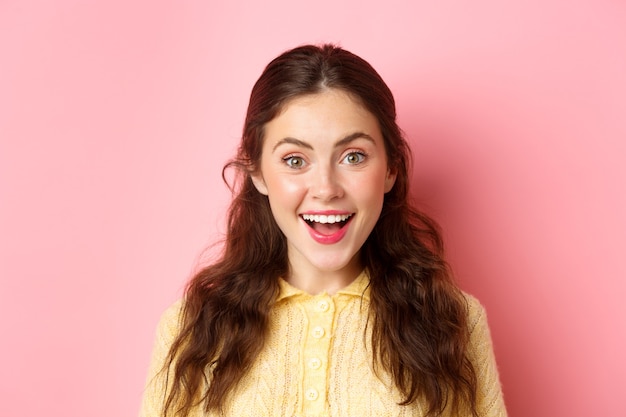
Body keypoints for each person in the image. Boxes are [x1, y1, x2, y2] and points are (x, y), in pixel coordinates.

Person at [139, 44, 507, 417]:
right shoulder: (190, 327)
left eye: (353, 157)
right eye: (295, 160)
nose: (327, 188)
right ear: (257, 172)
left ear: (391, 168)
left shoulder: (452, 321)